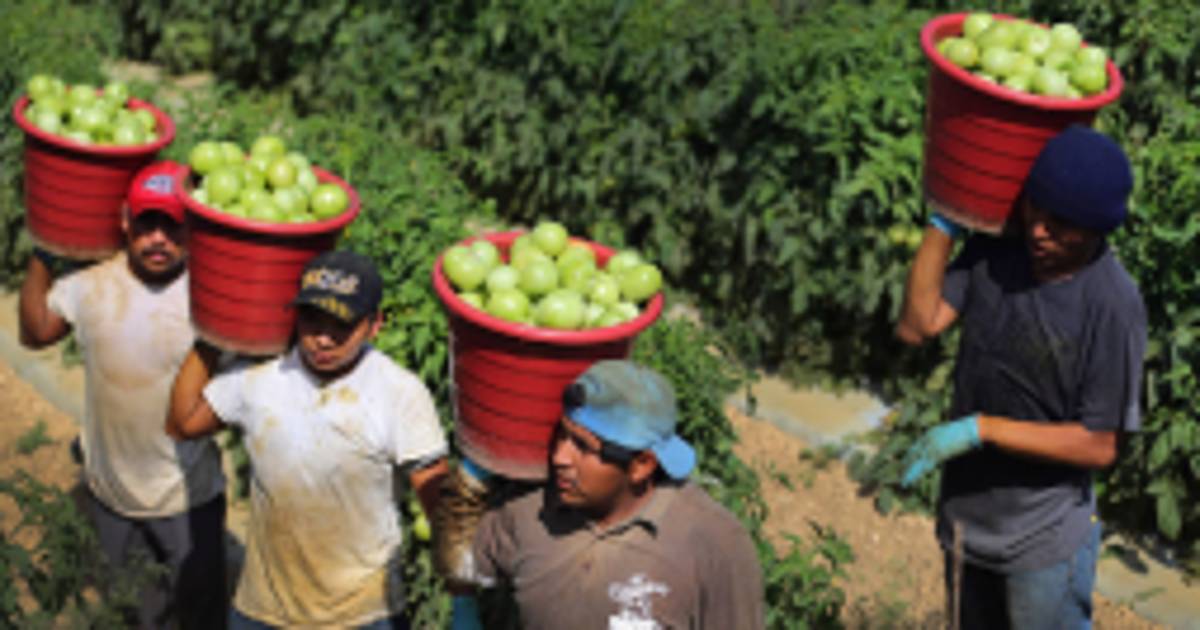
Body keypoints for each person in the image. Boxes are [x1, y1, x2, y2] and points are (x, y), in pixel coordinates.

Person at [895, 126, 1147, 629]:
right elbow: (916, 326)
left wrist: (983, 429)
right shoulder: (996, 253)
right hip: (966, 518)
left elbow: (1100, 445)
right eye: (1036, 210)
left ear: (1095, 231)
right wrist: (943, 223)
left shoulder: (1112, 304)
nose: (1039, 232)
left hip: (1041, 538)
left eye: (1061, 225)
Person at [167, 250, 449, 629]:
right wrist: (211, 339)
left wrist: (461, 583)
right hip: (262, 612)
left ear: (374, 324)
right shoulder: (261, 378)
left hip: (362, 615)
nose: (323, 339)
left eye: (341, 326)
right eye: (312, 321)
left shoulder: (399, 393)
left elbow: (437, 497)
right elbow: (183, 423)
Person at [18, 161, 228, 629]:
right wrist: (44, 254)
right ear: (125, 220)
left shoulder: (212, 299)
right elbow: (35, 333)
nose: (158, 240)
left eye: (173, 227)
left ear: (193, 230)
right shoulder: (92, 285)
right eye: (147, 224)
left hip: (187, 500)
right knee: (134, 613)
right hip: (110, 495)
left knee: (197, 616)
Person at [449, 360, 764, 630]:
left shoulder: (714, 545)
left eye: (583, 446)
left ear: (641, 465)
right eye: (562, 435)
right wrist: (469, 481)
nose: (559, 457)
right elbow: (461, 563)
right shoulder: (530, 509)